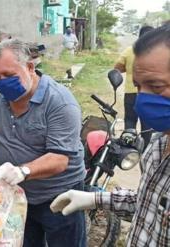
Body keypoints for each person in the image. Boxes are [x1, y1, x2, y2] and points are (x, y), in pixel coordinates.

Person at [51, 24, 170, 247]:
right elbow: (148, 202)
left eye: (156, 86)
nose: (142, 98)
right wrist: (94, 198)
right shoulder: (157, 146)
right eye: (137, 85)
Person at [0, 39, 86, 247]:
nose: (2, 81)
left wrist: (23, 171)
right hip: (19, 197)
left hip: (59, 196)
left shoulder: (60, 102)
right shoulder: (3, 97)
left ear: (30, 67)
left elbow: (60, 159)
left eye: (9, 75)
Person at [114, 25, 154, 149]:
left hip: (131, 93)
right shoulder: (157, 52)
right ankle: (146, 149)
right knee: (147, 124)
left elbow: (117, 68)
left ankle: (129, 149)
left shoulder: (129, 50)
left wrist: (129, 68)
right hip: (150, 94)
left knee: (130, 120)